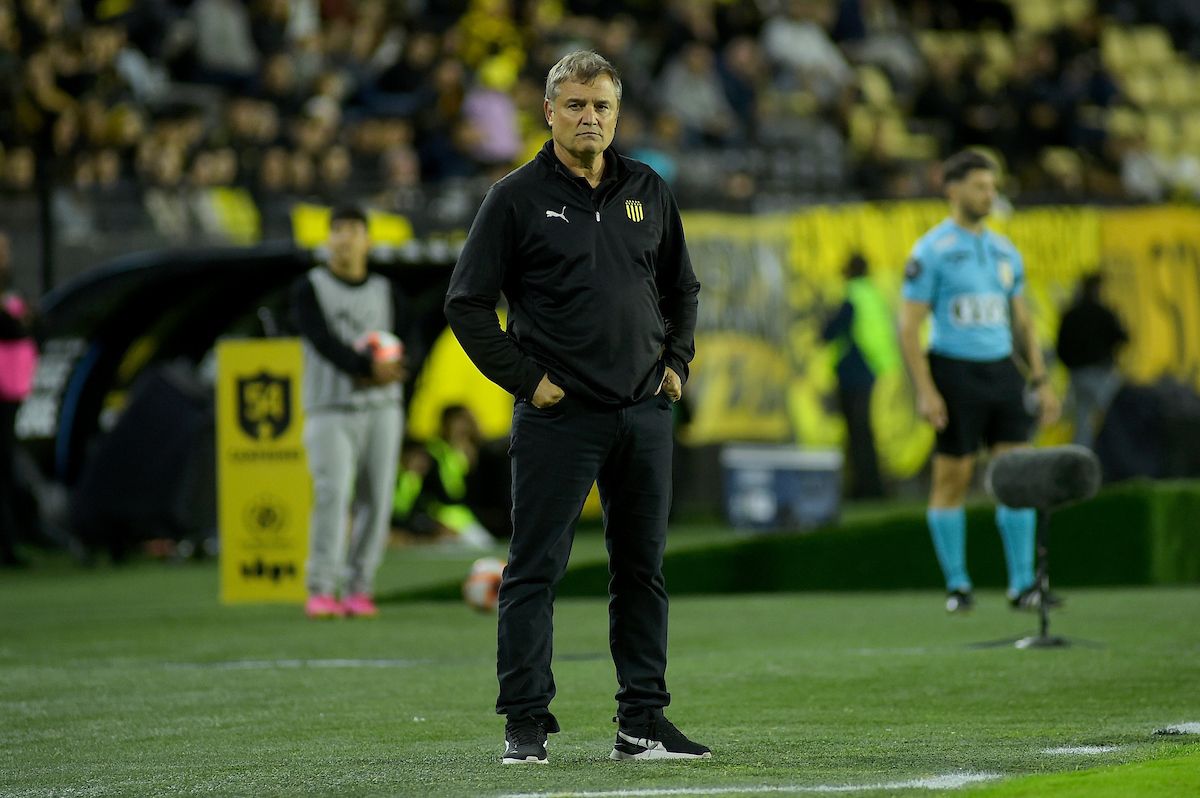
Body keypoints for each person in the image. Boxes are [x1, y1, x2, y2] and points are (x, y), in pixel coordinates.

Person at [444, 50, 709, 765]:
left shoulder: (648, 187)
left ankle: (642, 725)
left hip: (644, 413)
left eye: (602, 107)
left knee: (642, 570)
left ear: (616, 115)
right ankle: (525, 725)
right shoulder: (515, 197)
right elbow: (466, 304)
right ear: (549, 111)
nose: (590, 118)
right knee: (535, 570)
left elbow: (683, 288)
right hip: (560, 417)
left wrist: (677, 363)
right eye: (577, 105)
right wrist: (527, 381)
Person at [898, 150, 1061, 614]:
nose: (990, 194)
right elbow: (909, 326)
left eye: (993, 186)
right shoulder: (931, 251)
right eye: (980, 186)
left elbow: (1022, 320)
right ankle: (958, 584)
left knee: (1016, 477)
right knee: (953, 477)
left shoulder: (1005, 250)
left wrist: (1041, 378)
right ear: (953, 190)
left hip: (1002, 373)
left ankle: (1023, 584)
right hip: (955, 371)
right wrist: (926, 389)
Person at [290, 205, 407, 619]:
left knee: (377, 498)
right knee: (332, 493)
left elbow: (412, 336)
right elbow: (320, 339)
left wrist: (397, 369)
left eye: (353, 230)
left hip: (382, 408)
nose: (345, 238)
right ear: (328, 240)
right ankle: (321, 587)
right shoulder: (310, 286)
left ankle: (360, 587)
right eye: (337, 230)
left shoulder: (386, 290)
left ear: (368, 240)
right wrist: (366, 368)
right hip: (329, 408)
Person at [820, 252, 899, 499]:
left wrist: (823, 328)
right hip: (871, 369)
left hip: (854, 371)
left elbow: (831, 332)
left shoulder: (853, 295)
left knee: (858, 433)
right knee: (864, 431)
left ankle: (865, 488)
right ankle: (871, 486)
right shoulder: (873, 294)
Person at [1055, 273, 1128, 450]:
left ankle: (1081, 461)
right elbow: (1123, 337)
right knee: (1116, 419)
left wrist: (1072, 365)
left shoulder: (1070, 314)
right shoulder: (1104, 312)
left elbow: (1060, 348)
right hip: (1102, 373)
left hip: (1078, 375)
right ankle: (1120, 461)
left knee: (1082, 422)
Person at [0, 231, 38, 568]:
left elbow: (29, 325)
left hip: (11, 391)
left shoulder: (13, 289)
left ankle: (11, 543)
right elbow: (14, 328)